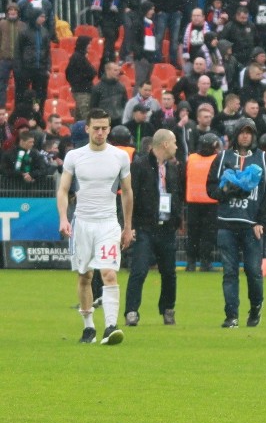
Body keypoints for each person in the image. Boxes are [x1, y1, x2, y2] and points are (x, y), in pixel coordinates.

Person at [57, 108, 134, 345]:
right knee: (85, 276)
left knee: (109, 273)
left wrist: (127, 226)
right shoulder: (74, 156)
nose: (100, 132)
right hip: (82, 223)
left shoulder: (120, 157)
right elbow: (63, 189)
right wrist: (63, 218)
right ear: (88, 128)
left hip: (108, 224)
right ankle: (88, 327)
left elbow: (127, 193)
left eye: (104, 128)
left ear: (109, 129)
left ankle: (111, 327)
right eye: (96, 128)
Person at [206, 117, 266, 328]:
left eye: (249, 132)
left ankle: (256, 308)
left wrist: (262, 221)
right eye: (242, 132)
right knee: (229, 272)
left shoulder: (263, 159)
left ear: (254, 135)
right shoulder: (223, 157)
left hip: (252, 225)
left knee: (254, 272)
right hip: (226, 223)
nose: (245, 136)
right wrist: (225, 191)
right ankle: (231, 316)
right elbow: (211, 189)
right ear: (236, 134)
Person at [124, 129, 182, 326]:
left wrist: (177, 220)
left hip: (166, 228)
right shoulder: (139, 166)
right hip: (144, 227)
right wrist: (129, 225)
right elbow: (130, 197)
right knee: (139, 270)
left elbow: (176, 196)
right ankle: (131, 311)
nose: (176, 146)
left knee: (169, 272)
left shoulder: (173, 168)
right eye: (174, 142)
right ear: (165, 144)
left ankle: (168, 308)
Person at [184, 132, 220, 272]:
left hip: (193, 202)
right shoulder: (217, 158)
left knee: (192, 234)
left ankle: (191, 262)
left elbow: (184, 178)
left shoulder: (191, 158)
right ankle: (205, 262)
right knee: (208, 235)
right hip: (211, 202)